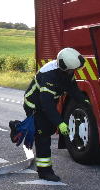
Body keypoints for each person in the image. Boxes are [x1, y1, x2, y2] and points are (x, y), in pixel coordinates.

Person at [13, 47, 89, 182]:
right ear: (64, 66)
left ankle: (18, 127)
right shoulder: (48, 75)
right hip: (35, 106)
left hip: (47, 104)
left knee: (46, 129)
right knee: (43, 137)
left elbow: (72, 88)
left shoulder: (66, 70)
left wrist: (85, 101)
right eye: (72, 70)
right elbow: (46, 105)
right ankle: (45, 172)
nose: (74, 72)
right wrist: (59, 122)